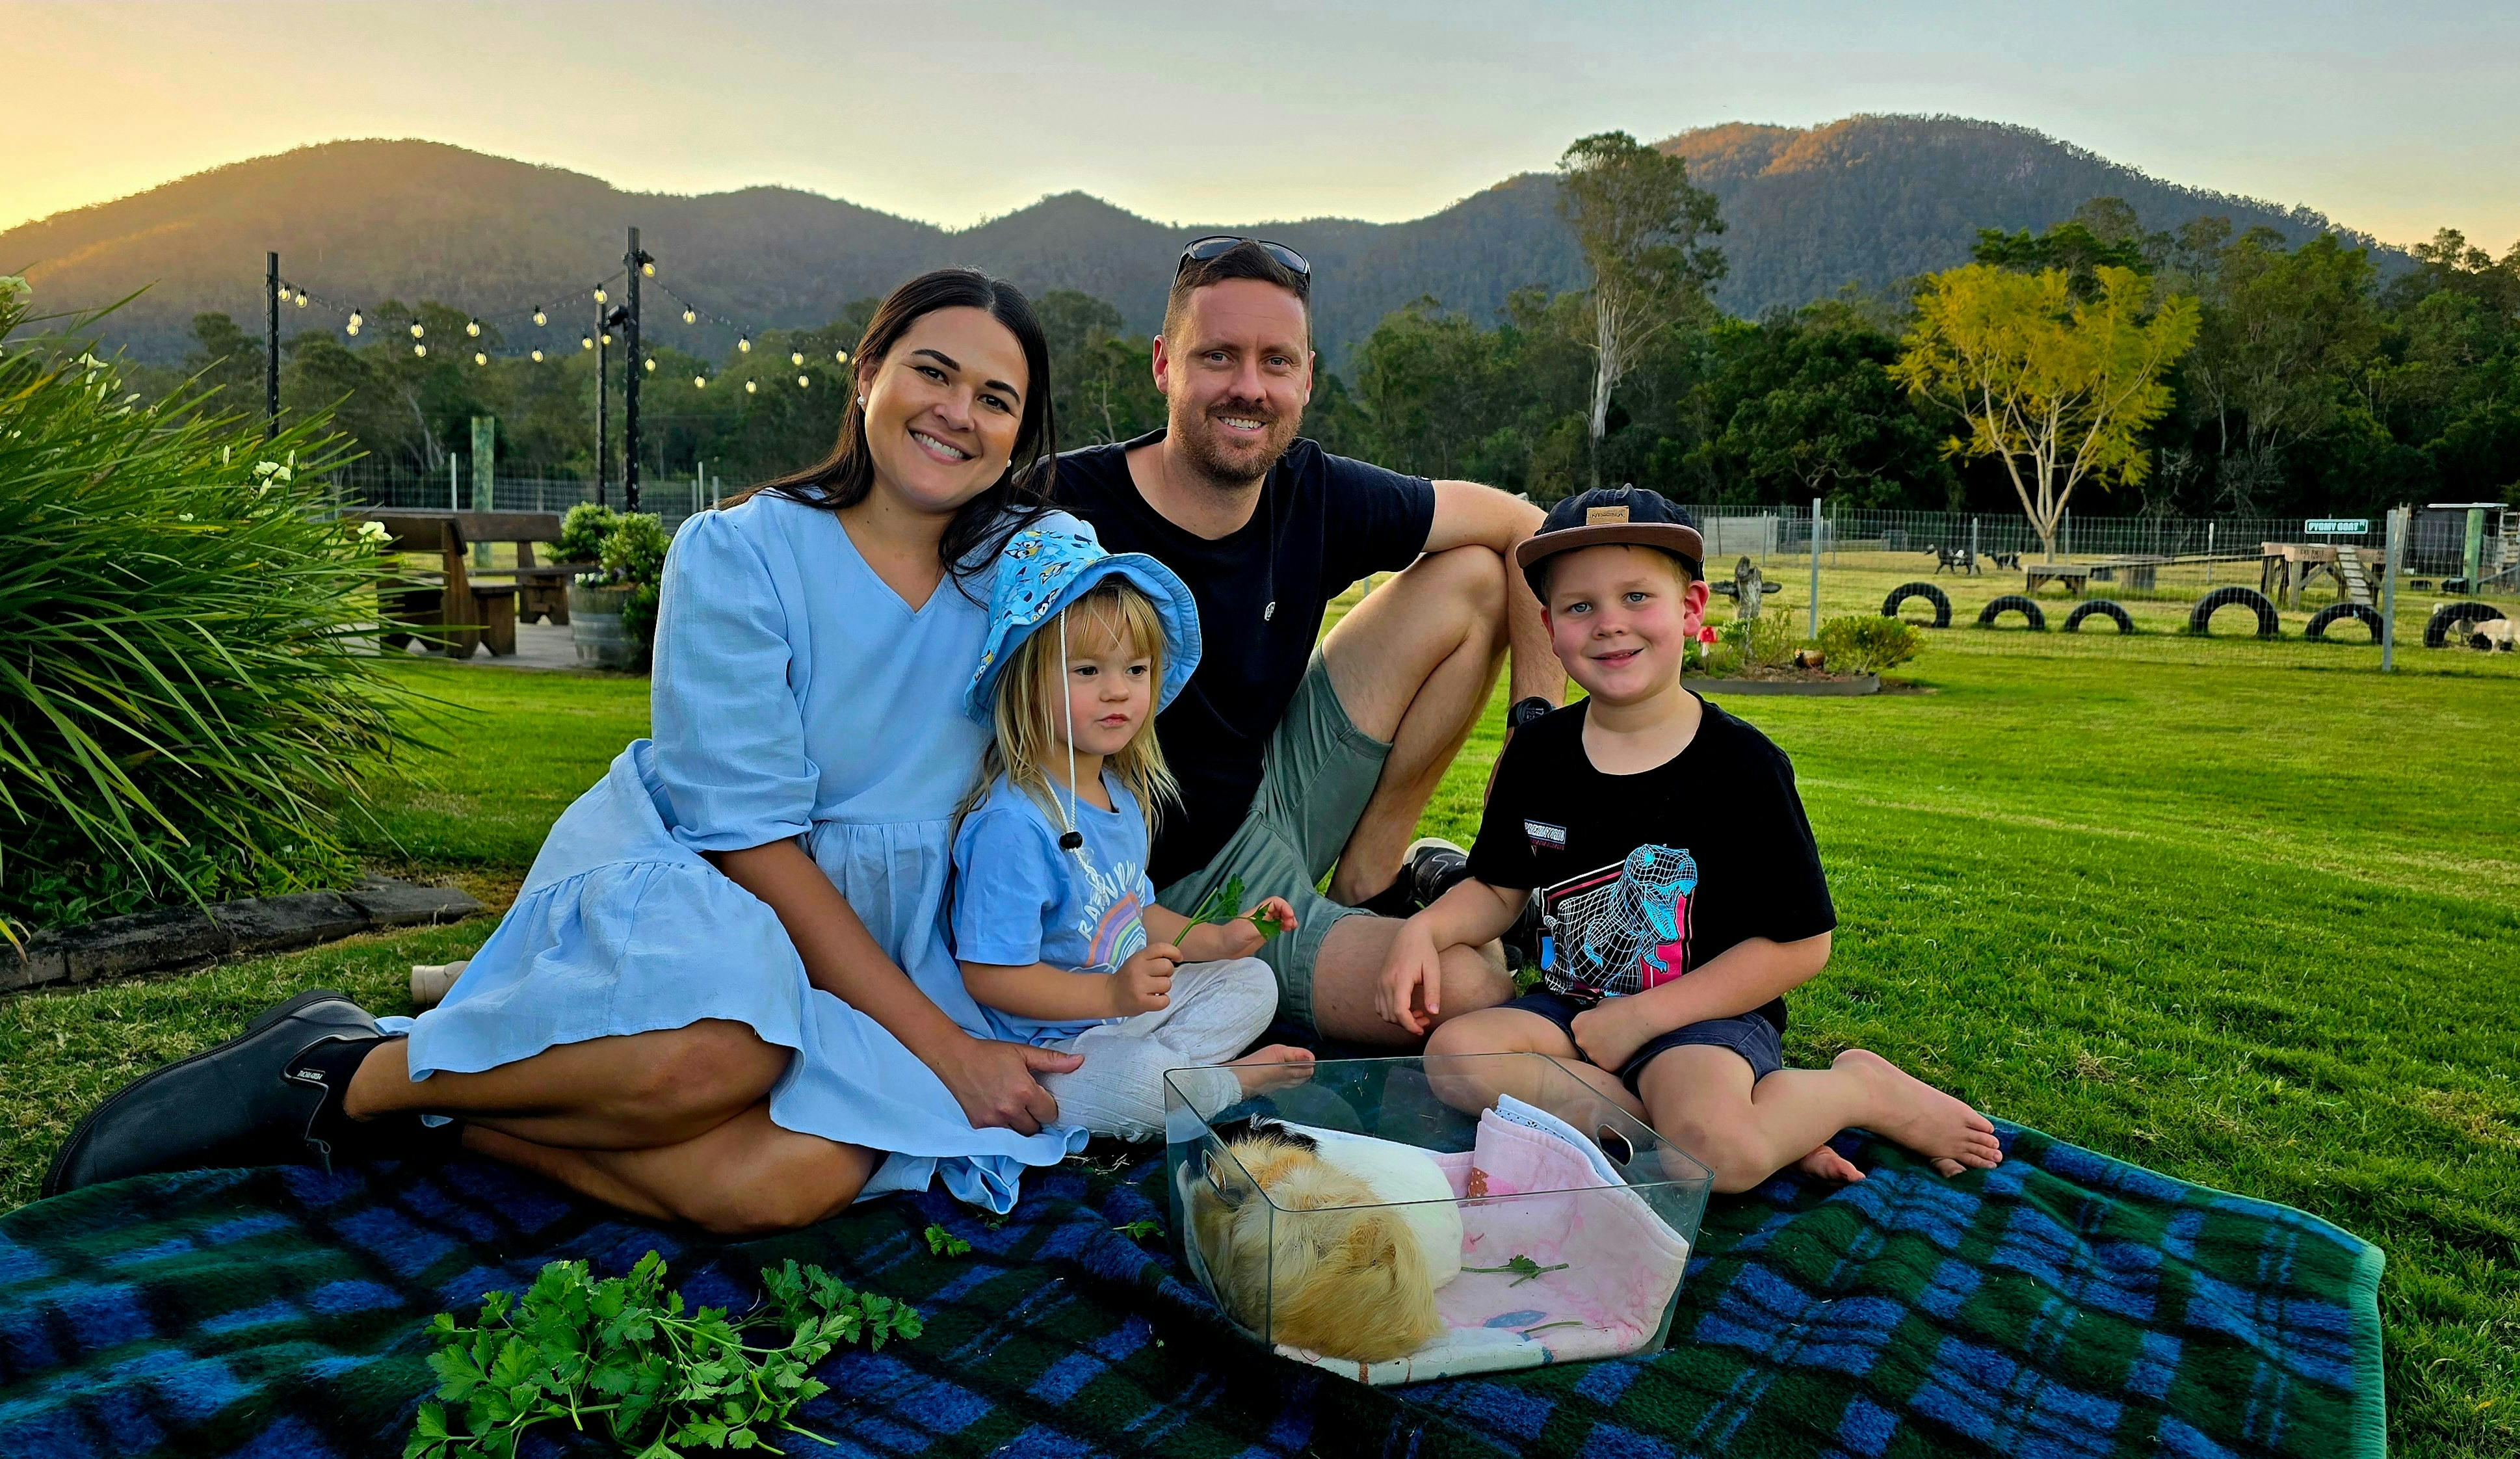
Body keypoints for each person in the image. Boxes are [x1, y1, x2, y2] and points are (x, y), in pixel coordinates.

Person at [46, 269, 1099, 1234]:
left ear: (1020, 432)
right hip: (714, 879)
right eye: (933, 371)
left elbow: (1120, 683)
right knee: (722, 1049)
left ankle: (440, 1113)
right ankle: (346, 1074)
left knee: (792, 1179)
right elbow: (754, 840)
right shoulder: (742, 552)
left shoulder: (1029, 570)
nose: (958, 412)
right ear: (869, 374)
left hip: (895, 936)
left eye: (996, 398)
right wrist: (945, 1046)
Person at [1404, 486, 2006, 1193]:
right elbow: (1500, 891)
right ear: (1548, 626)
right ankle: (1756, 1127)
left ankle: (1856, 1091)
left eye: (1637, 597)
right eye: (1579, 606)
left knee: (1719, 1154)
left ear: (1691, 610)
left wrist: (1644, 1018)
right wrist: (1427, 931)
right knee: (1456, 1056)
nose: (1608, 625)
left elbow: (1802, 943)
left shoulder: (1743, 767)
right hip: (1573, 1014)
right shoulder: (1538, 753)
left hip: (1703, 1021)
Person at [1053, 236, 1559, 1047]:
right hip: (1182, 882)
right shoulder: (1063, 511)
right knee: (1470, 988)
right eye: (1217, 356)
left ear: (1307, 377)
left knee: (1473, 576)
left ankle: (1376, 874)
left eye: (1275, 362)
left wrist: (1537, 737)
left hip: (1274, 785)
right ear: (1163, 364)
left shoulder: (1312, 492)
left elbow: (1528, 532)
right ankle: (1444, 910)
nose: (1248, 387)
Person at [947, 523, 1311, 1139]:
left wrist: (1219, 940)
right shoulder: (1015, 823)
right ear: (1025, 677)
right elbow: (989, 976)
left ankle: (1182, 1082)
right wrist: (1110, 999)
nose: (1118, 691)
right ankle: (1224, 1084)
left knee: (1253, 983)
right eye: (1087, 670)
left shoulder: (1118, 794)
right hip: (1050, 1051)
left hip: (1121, 1016)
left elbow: (1134, 916)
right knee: (1139, 1085)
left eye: (1136, 669)